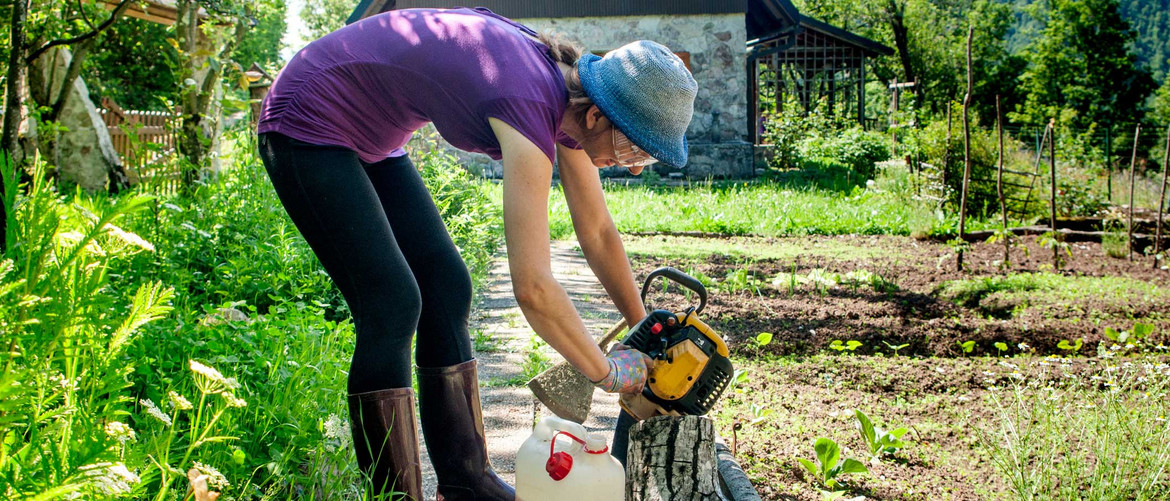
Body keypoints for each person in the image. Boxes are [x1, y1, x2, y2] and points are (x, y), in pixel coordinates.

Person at [256, 6, 696, 499]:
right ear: (598, 115)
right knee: (392, 303)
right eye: (633, 151)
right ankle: (394, 495)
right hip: (307, 117)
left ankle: (466, 482)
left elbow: (596, 231)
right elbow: (532, 287)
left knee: (446, 289)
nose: (634, 168)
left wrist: (647, 333)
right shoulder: (528, 102)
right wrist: (606, 372)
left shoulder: (577, 104)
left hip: (373, 138)